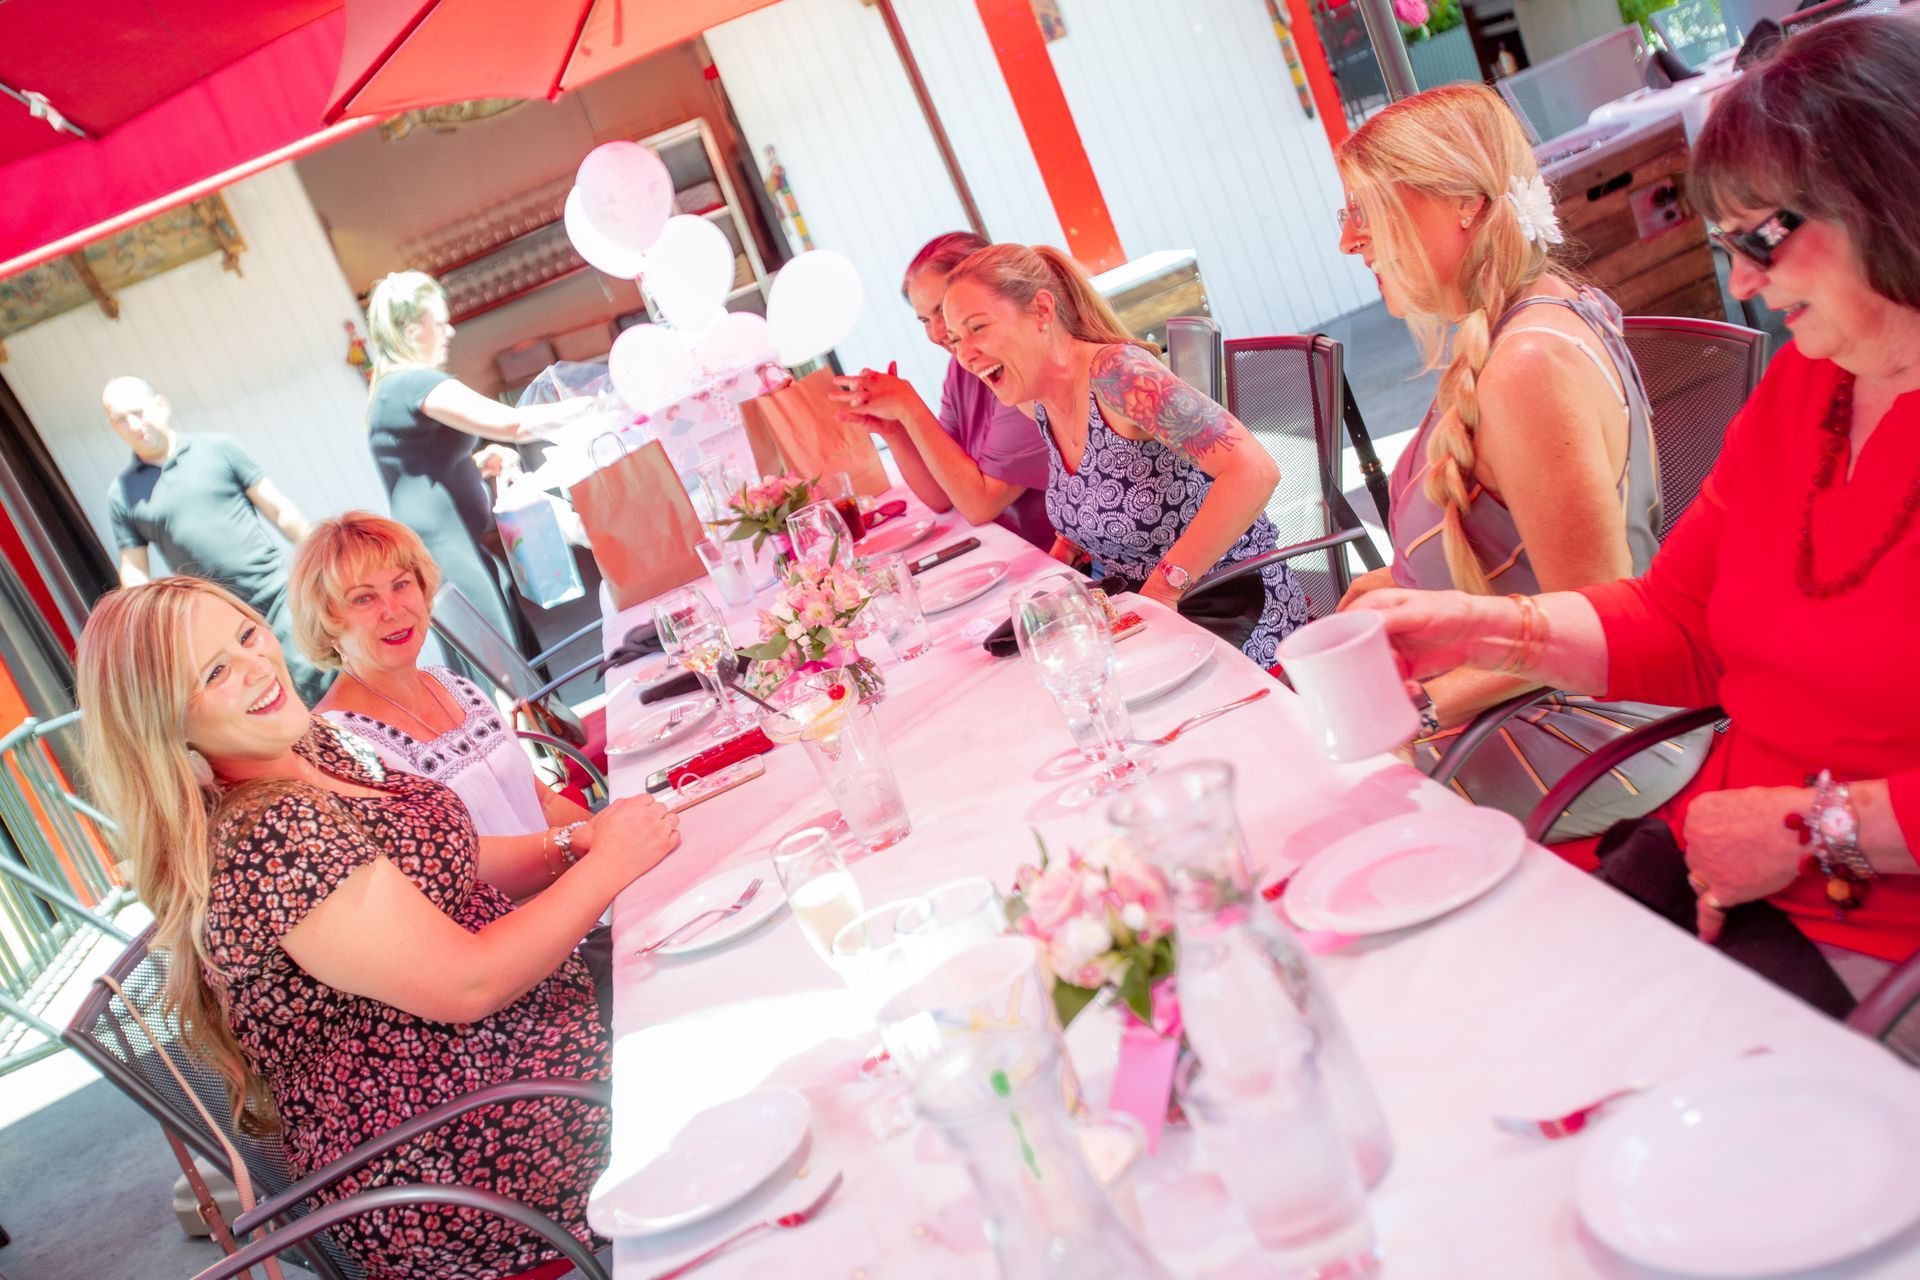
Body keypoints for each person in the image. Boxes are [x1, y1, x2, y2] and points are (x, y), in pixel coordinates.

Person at [1351, 14, 1920, 1015]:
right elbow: (1675, 618)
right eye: (1727, 244)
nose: (1740, 280)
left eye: (1763, 239)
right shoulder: (1807, 389)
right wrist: (1478, 626)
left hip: (1868, 919)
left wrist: (1809, 828)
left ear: (1884, 199)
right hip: (1726, 849)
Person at [76, 575, 681, 1277]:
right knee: (704, 1011)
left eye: (245, 635)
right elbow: (468, 983)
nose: (254, 667)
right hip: (471, 1148)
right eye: (213, 673)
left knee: (690, 940)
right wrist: (609, 866)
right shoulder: (267, 834)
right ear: (166, 724)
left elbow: (450, 858)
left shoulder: (305, 748)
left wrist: (573, 845)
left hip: (527, 1041)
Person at [1330, 82, 1704, 838]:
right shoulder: (1532, 315)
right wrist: (1397, 584)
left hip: (1582, 747)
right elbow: (1518, 557)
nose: (1348, 240)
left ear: (1465, 203)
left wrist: (1420, 707)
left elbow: (1597, 621)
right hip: (1535, 724)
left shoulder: (1526, 364)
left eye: (1364, 210)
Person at [942, 243, 1308, 664]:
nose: (965, 356)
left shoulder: (1118, 375)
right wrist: (1067, 553)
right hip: (1153, 618)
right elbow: (1102, 488)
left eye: (978, 328)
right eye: (955, 340)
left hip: (1234, 605)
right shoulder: (1037, 399)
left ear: (1042, 311)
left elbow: (1254, 471)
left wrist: (1164, 589)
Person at [290, 511, 594, 868]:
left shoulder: (452, 684)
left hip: (577, 888)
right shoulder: (341, 745)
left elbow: (542, 802)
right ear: (327, 621)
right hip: (521, 917)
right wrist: (583, 847)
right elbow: (449, 874)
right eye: (363, 599)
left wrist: (609, 833)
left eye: (401, 584)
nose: (392, 610)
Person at [363, 271, 589, 650]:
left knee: (510, 648)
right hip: (445, 546)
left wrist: (480, 463)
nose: (449, 331)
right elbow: (512, 423)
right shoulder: (413, 383)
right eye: (439, 322)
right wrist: (593, 405)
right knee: (500, 658)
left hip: (453, 542)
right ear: (412, 330)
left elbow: (424, 469)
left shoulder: (393, 389)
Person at [101, 375, 331, 706]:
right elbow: (134, 570)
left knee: (321, 680)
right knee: (269, 702)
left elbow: (279, 509)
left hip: (279, 595)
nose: (133, 424)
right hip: (221, 624)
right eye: (120, 419)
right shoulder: (122, 494)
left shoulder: (218, 449)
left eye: (137, 411)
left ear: (161, 405)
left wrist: (321, 561)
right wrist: (143, 630)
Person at [829, 232, 1056, 549]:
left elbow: (979, 505)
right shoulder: (962, 368)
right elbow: (941, 496)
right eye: (924, 319)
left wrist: (910, 407)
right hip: (1009, 546)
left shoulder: (1017, 369)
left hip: (1058, 555)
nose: (937, 333)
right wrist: (894, 428)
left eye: (942, 311)